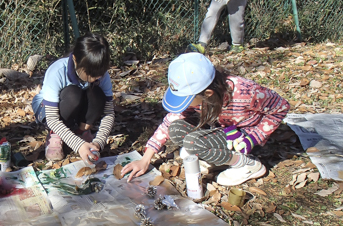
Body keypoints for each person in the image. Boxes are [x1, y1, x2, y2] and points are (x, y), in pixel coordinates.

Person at [122, 53, 289, 186]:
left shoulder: (245, 92)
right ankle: (217, 156)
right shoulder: (202, 95)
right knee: (176, 129)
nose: (184, 105)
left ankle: (248, 165)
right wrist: (145, 159)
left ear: (207, 94)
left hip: (243, 137)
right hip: (222, 128)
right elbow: (170, 121)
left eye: (186, 99)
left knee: (194, 144)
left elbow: (281, 107)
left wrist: (254, 137)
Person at [32, 33, 115, 164]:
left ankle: (81, 131)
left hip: (78, 102)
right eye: (89, 75)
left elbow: (108, 113)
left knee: (97, 94)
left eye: (98, 75)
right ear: (75, 60)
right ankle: (55, 134)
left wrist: (99, 142)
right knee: (72, 94)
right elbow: (52, 118)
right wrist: (79, 146)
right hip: (47, 109)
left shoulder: (101, 74)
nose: (94, 79)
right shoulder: (57, 71)